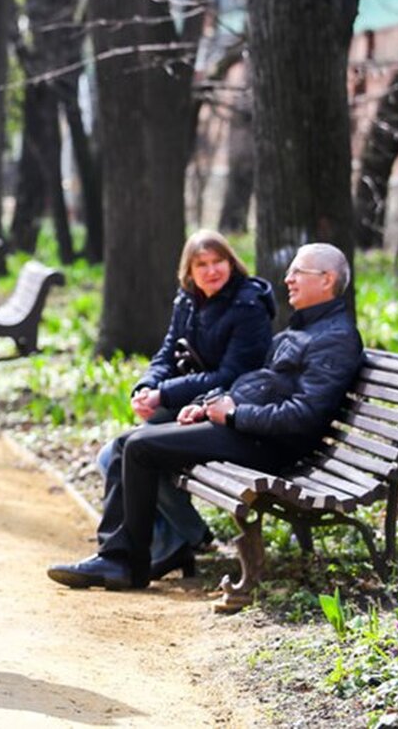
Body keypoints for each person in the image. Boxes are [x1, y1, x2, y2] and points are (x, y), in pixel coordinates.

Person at [48, 243, 362, 590]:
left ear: (327, 279)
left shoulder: (335, 338)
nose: (287, 279)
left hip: (271, 446)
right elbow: (258, 384)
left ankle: (126, 563)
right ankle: (116, 557)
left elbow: (304, 416)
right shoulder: (303, 328)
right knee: (125, 443)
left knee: (139, 447)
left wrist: (235, 415)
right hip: (251, 431)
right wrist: (209, 403)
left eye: (297, 272)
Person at [96, 230, 275, 579]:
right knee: (110, 456)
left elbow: (232, 374)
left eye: (218, 261)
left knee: (131, 453)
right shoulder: (188, 300)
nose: (211, 271)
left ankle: (178, 542)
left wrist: (166, 394)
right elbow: (166, 352)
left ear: (231, 263)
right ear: (189, 272)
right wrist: (147, 386)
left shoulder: (247, 306)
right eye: (202, 264)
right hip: (188, 401)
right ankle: (180, 540)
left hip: (225, 405)